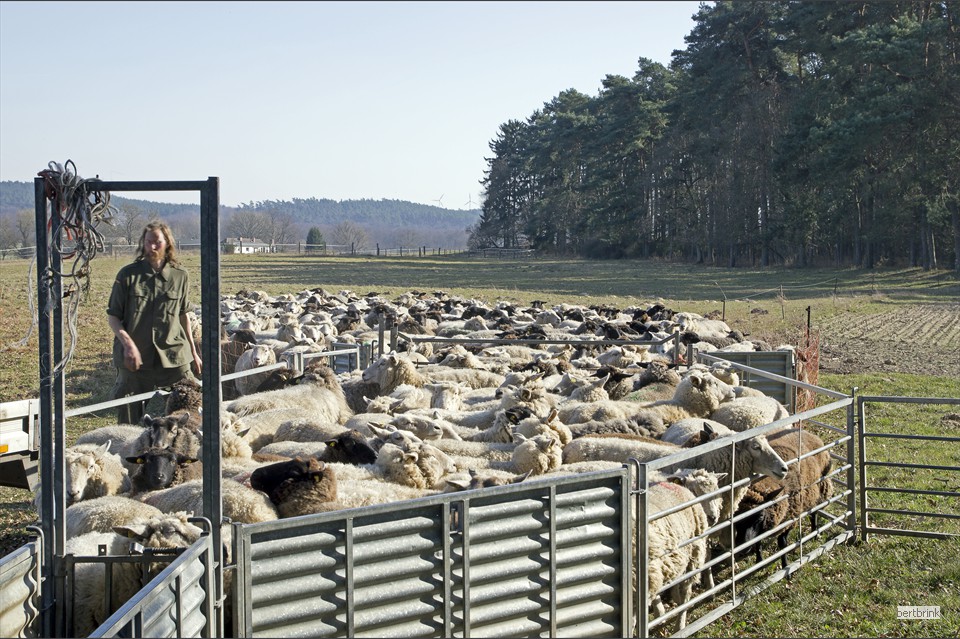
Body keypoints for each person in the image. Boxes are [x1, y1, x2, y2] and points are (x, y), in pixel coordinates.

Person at [107, 220, 202, 424]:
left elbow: (183, 315)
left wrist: (193, 352)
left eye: (157, 242)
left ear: (167, 243)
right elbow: (113, 316)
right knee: (129, 416)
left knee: (188, 407)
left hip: (173, 355)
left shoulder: (180, 276)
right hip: (136, 359)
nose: (152, 247)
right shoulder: (128, 276)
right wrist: (128, 345)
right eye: (148, 241)